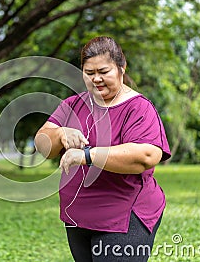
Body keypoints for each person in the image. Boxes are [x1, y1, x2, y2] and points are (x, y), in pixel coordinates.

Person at [34, 36, 171, 262]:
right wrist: (59, 134)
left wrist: (88, 156)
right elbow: (42, 144)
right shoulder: (72, 104)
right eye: (89, 73)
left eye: (103, 71)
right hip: (78, 217)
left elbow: (146, 156)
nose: (96, 78)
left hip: (124, 217)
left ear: (121, 68)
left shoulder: (138, 108)